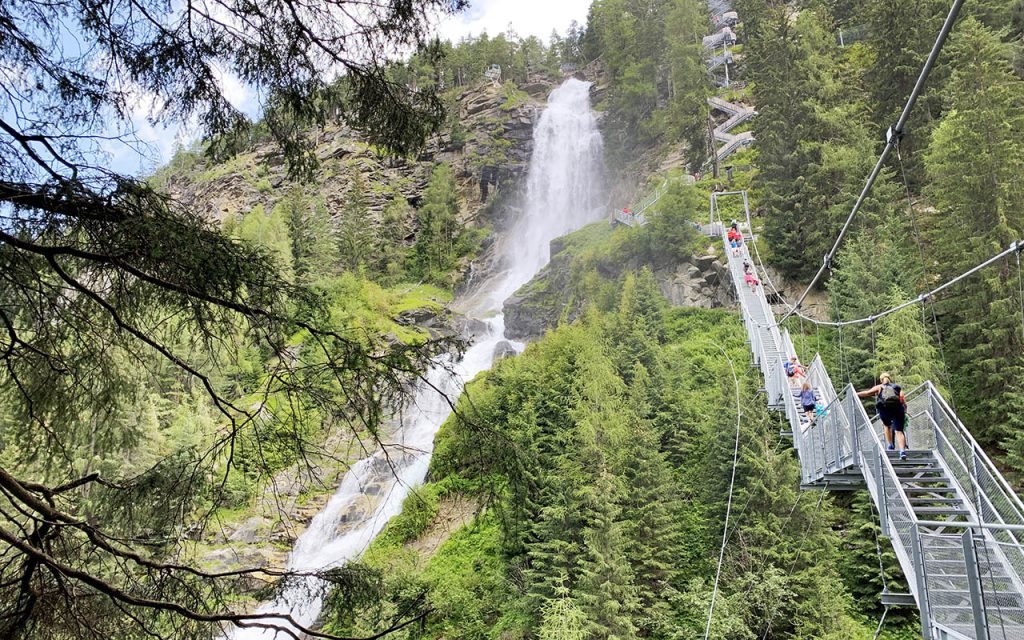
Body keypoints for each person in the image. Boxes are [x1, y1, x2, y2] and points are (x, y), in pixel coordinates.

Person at [857, 372, 908, 459]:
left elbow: (867, 393)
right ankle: (902, 452)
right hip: (898, 410)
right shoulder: (897, 387)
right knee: (899, 431)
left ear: (881, 380)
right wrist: (905, 410)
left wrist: (856, 394)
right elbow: (902, 400)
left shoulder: (879, 387)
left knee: (887, 426)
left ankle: (891, 445)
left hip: (885, 410)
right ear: (890, 378)